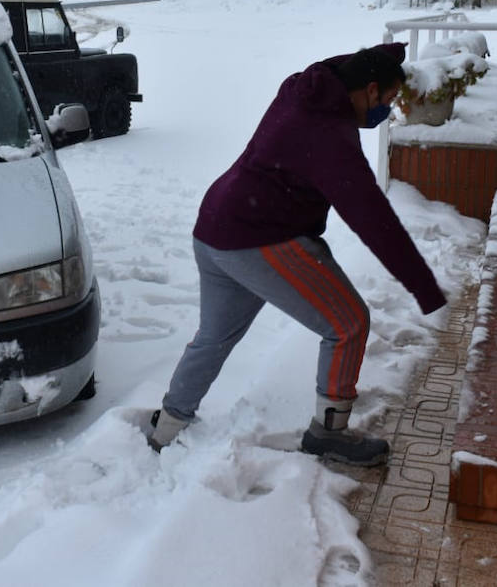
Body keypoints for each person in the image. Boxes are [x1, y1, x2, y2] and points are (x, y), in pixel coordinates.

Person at [148, 43, 447, 465]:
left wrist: (386, 53)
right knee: (348, 324)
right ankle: (329, 431)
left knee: (214, 337)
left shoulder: (302, 89)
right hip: (257, 237)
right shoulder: (330, 136)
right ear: (370, 89)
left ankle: (167, 428)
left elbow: (336, 67)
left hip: (214, 226)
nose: (389, 111)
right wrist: (424, 287)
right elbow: (373, 219)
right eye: (388, 100)